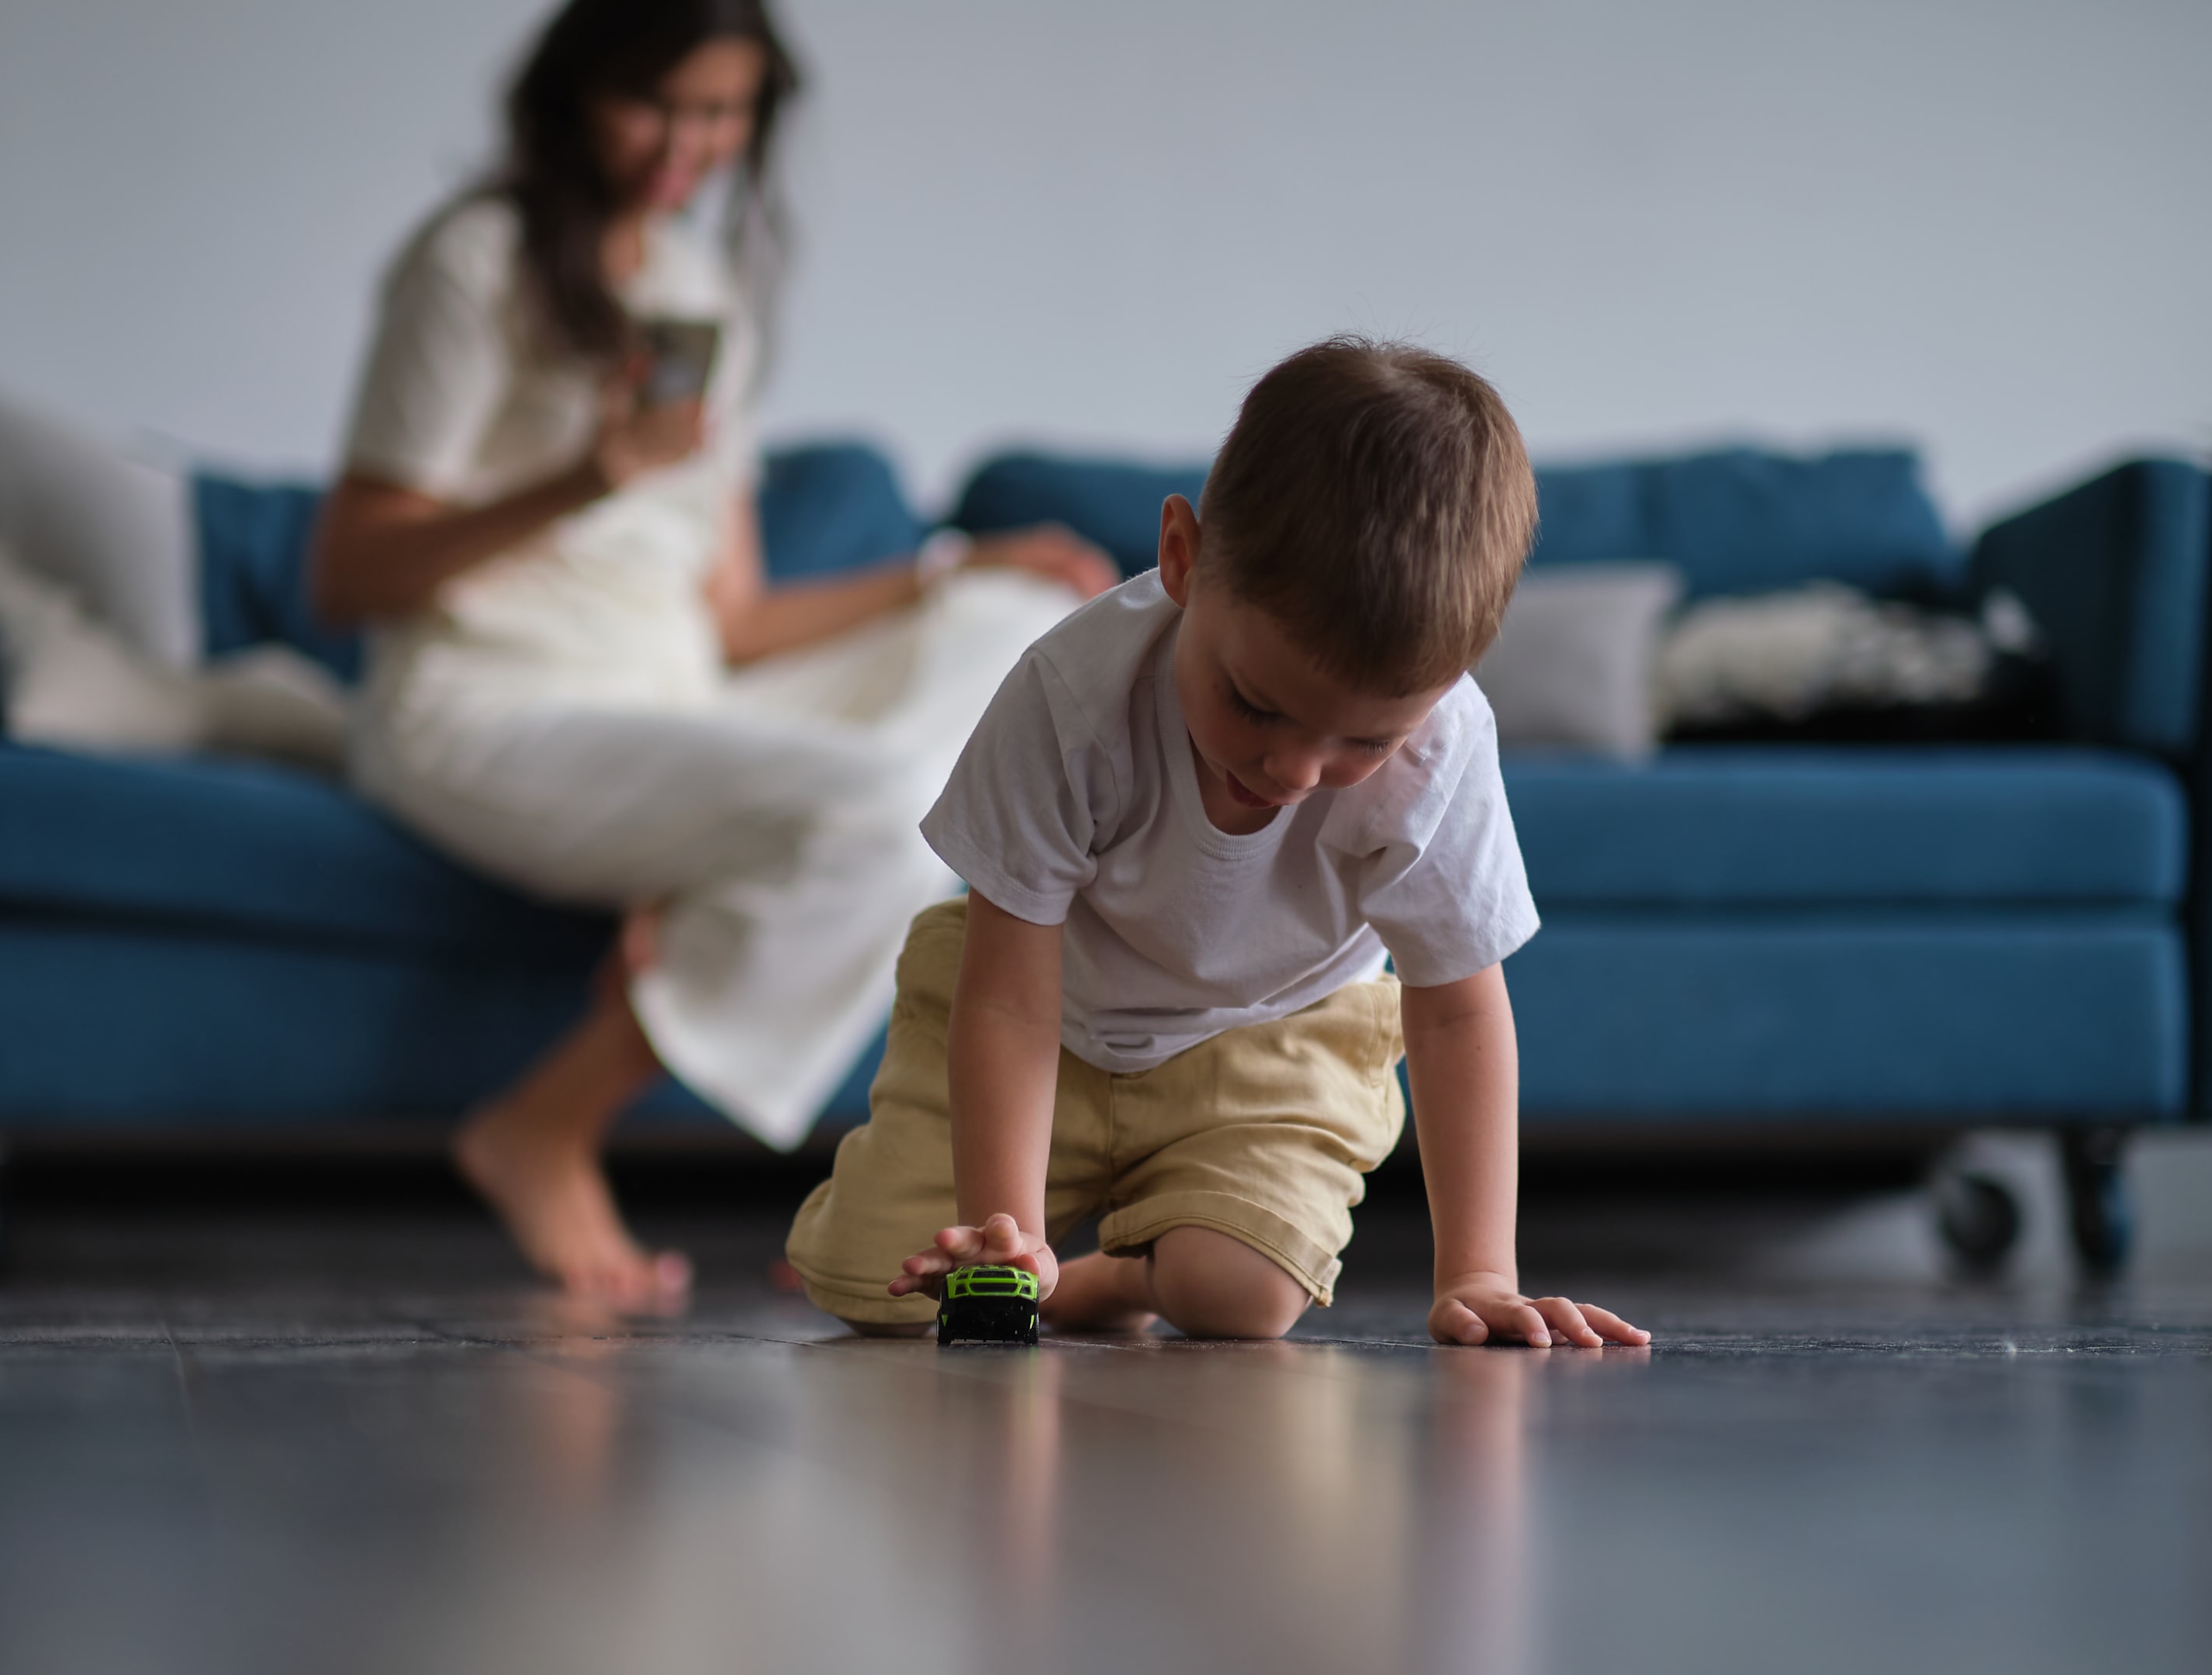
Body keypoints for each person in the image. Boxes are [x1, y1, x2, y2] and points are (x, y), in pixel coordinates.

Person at [312, 0, 1115, 1305]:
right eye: (656, 103)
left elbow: (733, 621)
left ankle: (745, 871)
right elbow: (347, 574)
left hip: (676, 696)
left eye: (722, 113)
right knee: (886, 811)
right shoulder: (473, 262)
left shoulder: (698, 291)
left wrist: (948, 568)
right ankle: (543, 1124)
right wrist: (586, 475)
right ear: (575, 94)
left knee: (1016, 628)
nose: (687, 144)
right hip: (484, 707)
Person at [785, 338, 1649, 1346]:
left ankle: (1116, 1280)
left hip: (1268, 1038)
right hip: (1045, 1019)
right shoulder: (1071, 698)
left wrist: (1479, 1273)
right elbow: (1007, 996)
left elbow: (1456, 1016)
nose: (1294, 771)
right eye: (1254, 705)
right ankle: (1048, 1267)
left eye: (1363, 742)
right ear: (1184, 560)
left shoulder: (1443, 750)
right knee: (873, 1287)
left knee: (1241, 1299)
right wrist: (1000, 1239)